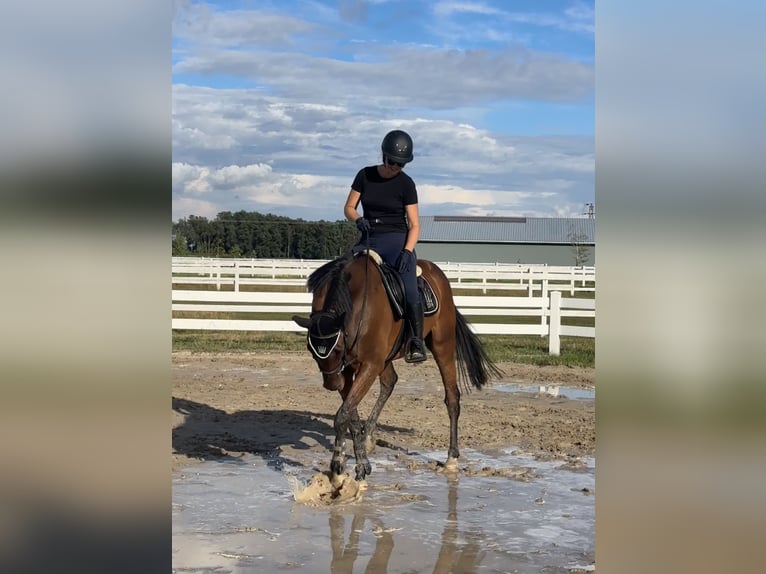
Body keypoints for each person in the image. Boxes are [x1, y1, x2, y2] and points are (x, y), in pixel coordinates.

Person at [344, 129, 427, 363]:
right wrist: (358, 219)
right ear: (383, 156)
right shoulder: (365, 175)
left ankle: (416, 341)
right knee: (342, 274)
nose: (394, 167)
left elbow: (415, 224)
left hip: (397, 239)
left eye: (400, 164)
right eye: (392, 162)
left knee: (410, 286)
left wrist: (407, 251)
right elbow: (349, 207)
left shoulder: (406, 184)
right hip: (369, 237)